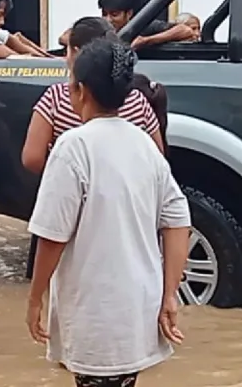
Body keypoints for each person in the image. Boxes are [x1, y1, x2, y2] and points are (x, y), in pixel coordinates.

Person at [26, 39, 192, 387]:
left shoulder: (74, 147)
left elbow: (51, 235)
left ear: (80, 90)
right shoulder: (143, 145)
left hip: (99, 312)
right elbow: (178, 222)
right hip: (135, 305)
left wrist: (34, 297)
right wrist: (169, 294)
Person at [21, 15, 164, 280]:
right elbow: (159, 157)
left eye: (67, 50)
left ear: (76, 53)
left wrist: (61, 175)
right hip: (127, 216)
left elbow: (31, 157)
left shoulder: (56, 97)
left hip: (69, 213)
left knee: (65, 285)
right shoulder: (136, 99)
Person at [97, 0, 198, 51]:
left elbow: (186, 31)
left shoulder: (143, 27)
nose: (108, 19)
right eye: (104, 14)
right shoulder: (97, 31)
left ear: (129, 13)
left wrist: (147, 40)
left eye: (114, 14)